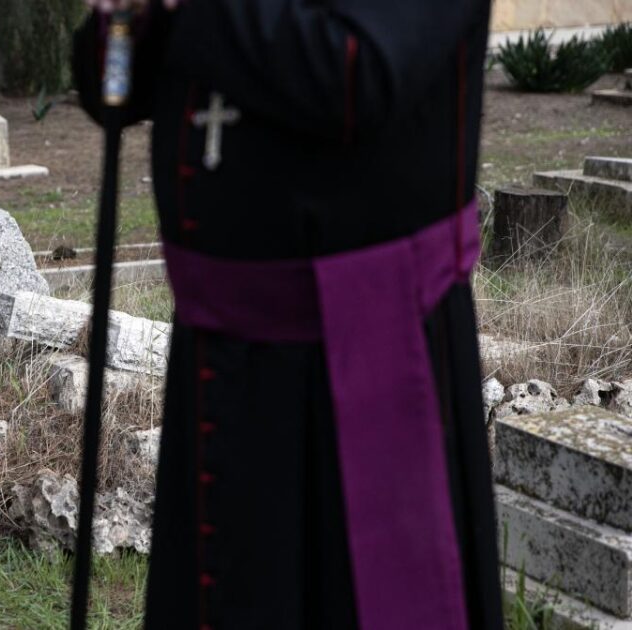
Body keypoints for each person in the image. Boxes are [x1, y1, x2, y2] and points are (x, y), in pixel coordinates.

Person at [74, 1, 502, 628]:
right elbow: (112, 90)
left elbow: (355, 76)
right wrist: (123, 21)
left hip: (366, 365)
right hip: (217, 360)